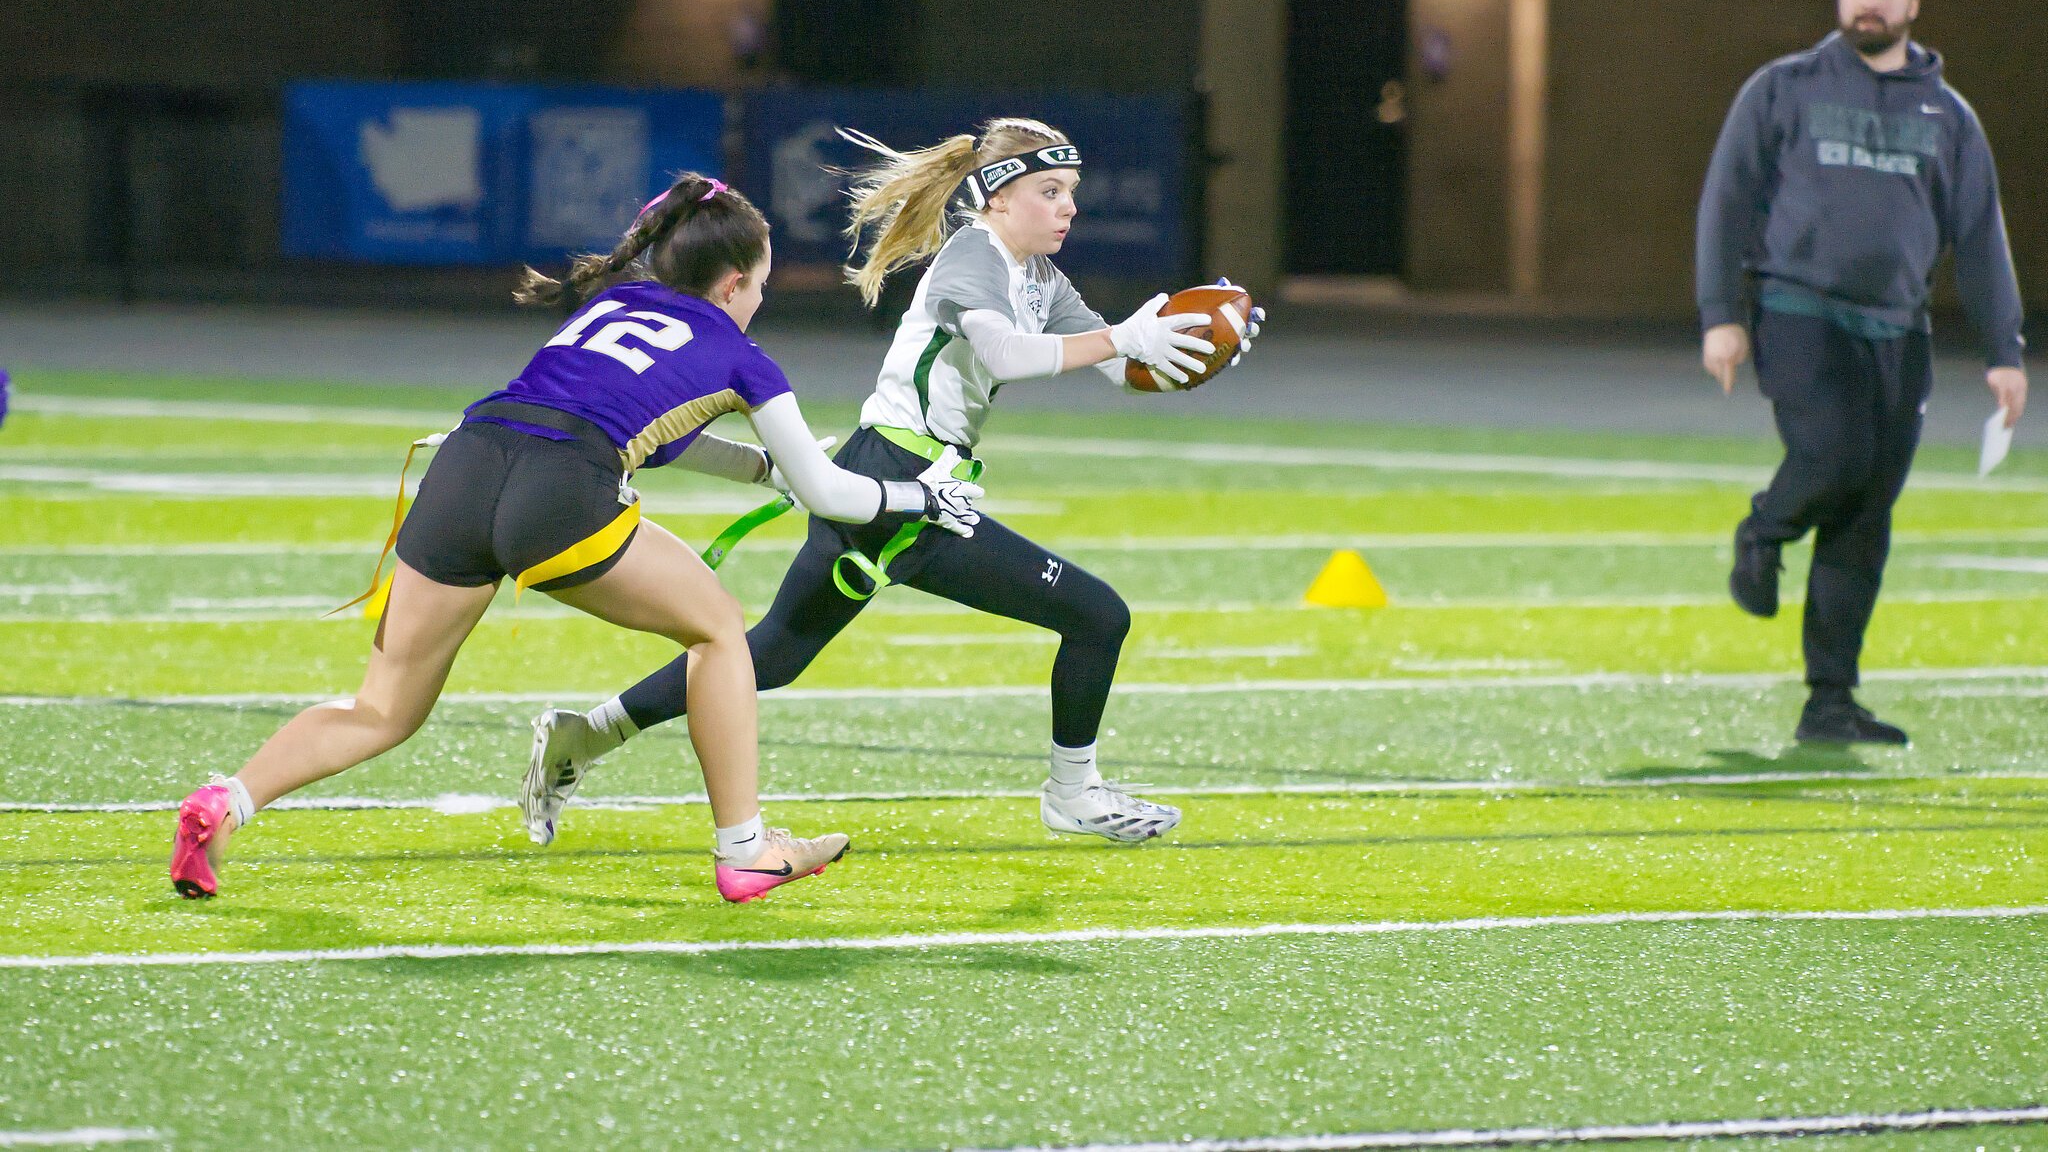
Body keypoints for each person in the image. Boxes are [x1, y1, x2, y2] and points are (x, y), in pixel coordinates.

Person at [170, 174, 984, 903]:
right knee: (719, 632)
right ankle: (745, 851)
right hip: (557, 490)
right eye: (761, 286)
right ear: (734, 282)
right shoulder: (741, 354)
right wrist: (919, 495)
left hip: (465, 465)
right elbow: (830, 492)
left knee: (381, 708)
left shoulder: (612, 306)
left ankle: (226, 802)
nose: (760, 301)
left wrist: (760, 470)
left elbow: (652, 427)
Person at [523, 117, 1260, 845]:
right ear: (999, 197)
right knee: (1098, 616)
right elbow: (1006, 355)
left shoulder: (1038, 276)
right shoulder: (974, 255)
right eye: (1050, 190)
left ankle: (586, 735)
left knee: (774, 653)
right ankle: (1072, 793)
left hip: (887, 470)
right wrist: (1122, 336)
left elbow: (1118, 366)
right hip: (902, 482)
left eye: (1071, 190)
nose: (1069, 206)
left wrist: (1192, 347)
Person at [1697, 0, 2027, 745]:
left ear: (1913, 5)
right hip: (1800, 309)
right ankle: (1765, 529)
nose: (1867, 1)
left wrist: (2004, 351)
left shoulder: (1949, 116)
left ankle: (1831, 701)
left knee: (1865, 514)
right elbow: (1727, 197)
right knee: (1834, 454)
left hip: (1899, 329)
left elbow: (1980, 237)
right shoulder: (1784, 87)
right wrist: (1720, 313)